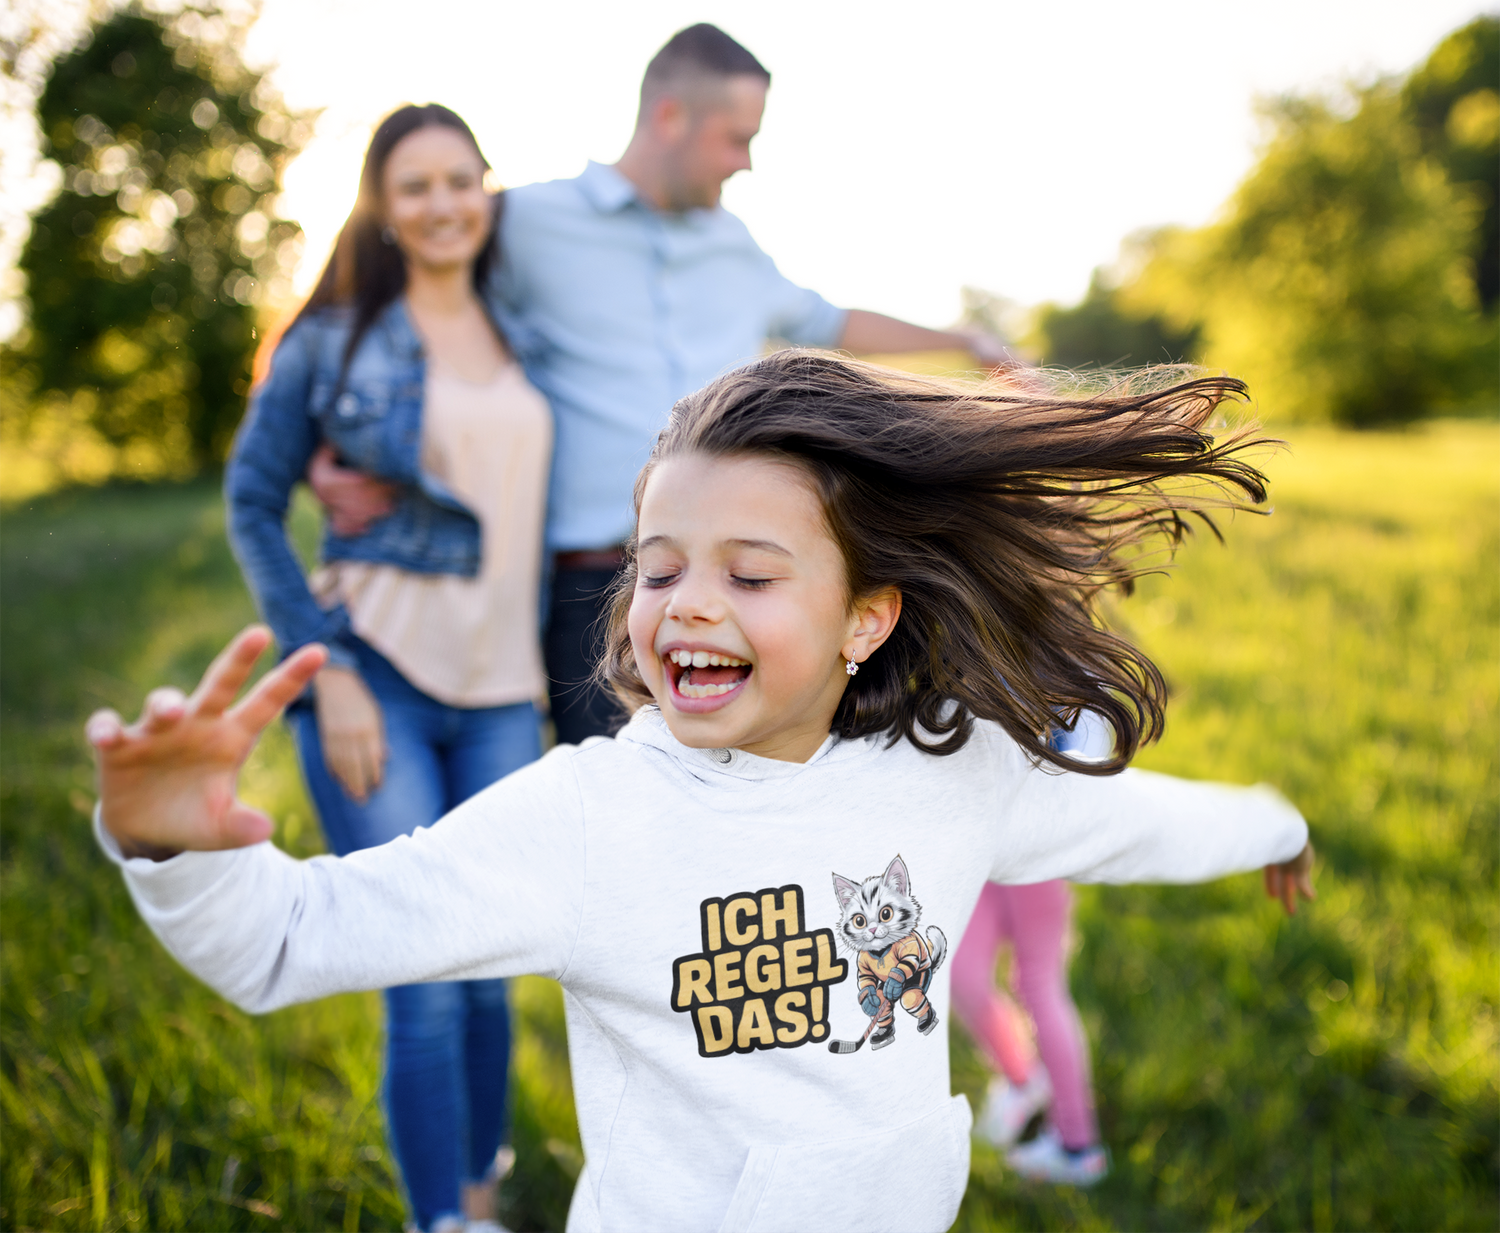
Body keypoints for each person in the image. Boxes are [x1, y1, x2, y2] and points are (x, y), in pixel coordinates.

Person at [90, 354, 1316, 1233]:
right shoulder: (585, 820)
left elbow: (1131, 820)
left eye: (751, 572)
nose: (686, 603)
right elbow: (292, 940)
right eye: (658, 567)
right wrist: (176, 848)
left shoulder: (954, 776)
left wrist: (1274, 822)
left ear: (867, 618)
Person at [311, 23, 1021, 745]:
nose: (745, 163)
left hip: (743, 577)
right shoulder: (524, 221)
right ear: (670, 117)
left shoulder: (734, 244)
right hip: (592, 587)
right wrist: (325, 444)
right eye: (735, 138)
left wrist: (964, 343)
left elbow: (830, 320)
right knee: (623, 820)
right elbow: (393, 298)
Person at [224, 104, 551, 1233]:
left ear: (485, 189)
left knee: (490, 966)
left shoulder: (525, 328)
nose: (443, 203)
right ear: (380, 203)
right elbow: (253, 502)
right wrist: (328, 671)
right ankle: (438, 1223)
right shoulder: (334, 341)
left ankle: (476, 1194)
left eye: (461, 179)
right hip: (379, 684)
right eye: (415, 185)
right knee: (422, 978)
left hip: (507, 695)